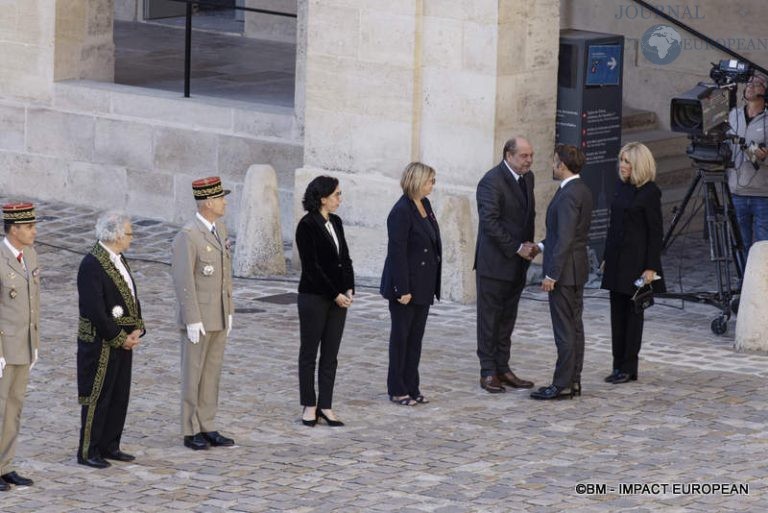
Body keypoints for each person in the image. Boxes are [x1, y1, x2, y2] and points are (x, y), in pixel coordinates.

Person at [76, 212, 144, 468]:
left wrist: (137, 328)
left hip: (124, 340)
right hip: (100, 343)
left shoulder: (118, 258)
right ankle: (88, 450)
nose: (131, 238)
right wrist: (119, 337)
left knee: (118, 394)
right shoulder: (92, 264)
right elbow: (95, 309)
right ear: (115, 235)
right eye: (129, 233)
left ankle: (110, 445)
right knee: (97, 396)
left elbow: (131, 295)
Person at [172, 176, 235, 449]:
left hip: (218, 314)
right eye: (221, 198)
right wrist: (192, 319)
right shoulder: (189, 235)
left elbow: (225, 274)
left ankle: (208, 423)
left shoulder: (218, 228)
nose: (224, 202)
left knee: (212, 373)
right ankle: (190, 428)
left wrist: (229, 309)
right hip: (199, 318)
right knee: (193, 373)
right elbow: (184, 280)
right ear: (208, 202)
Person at [474, 136, 538, 393]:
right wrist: (516, 247)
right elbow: (490, 222)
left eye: (531, 155)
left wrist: (529, 245)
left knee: (507, 318)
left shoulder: (528, 178)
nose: (529, 160)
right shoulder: (491, 182)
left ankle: (503, 367)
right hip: (495, 264)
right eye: (524, 156)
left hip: (518, 265)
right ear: (509, 155)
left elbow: (526, 216)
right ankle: (488, 370)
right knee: (489, 318)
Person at [530, 145, 593, 400]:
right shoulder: (581, 189)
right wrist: (541, 246)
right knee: (574, 328)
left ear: (563, 165)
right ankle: (573, 381)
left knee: (565, 330)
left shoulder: (568, 194)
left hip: (565, 272)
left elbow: (566, 238)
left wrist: (551, 275)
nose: (553, 166)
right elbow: (562, 234)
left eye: (555, 162)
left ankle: (563, 383)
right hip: (575, 269)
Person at [601, 142, 666, 384]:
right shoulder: (620, 187)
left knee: (632, 315)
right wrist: (606, 257)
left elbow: (655, 232)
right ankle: (617, 364)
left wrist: (650, 267)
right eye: (621, 160)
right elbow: (613, 226)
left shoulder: (650, 192)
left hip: (637, 264)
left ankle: (629, 367)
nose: (622, 165)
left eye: (627, 161)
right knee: (616, 315)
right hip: (617, 261)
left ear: (638, 164)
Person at [381, 162, 442, 406]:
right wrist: (402, 289)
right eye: (430, 181)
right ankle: (397, 388)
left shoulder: (424, 204)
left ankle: (412, 385)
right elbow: (397, 252)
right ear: (417, 181)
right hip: (406, 287)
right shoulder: (401, 211)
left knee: (415, 339)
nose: (432, 185)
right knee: (401, 339)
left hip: (424, 285)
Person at [295, 176, 354, 427]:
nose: (340, 199)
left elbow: (345, 257)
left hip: (339, 298)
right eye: (337, 195)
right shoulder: (307, 225)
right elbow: (312, 268)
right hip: (314, 297)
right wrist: (335, 294)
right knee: (310, 352)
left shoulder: (337, 222)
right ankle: (310, 405)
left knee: (331, 354)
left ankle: (326, 405)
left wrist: (349, 288)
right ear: (323, 198)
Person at [0, 203, 40, 489]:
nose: (34, 232)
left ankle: (5, 464)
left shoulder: (30, 255)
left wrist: (34, 344)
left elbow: (32, 304)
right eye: (28, 227)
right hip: (4, 348)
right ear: (14, 229)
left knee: (14, 408)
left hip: (23, 346)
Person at [727, 72, 768, 252]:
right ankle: (743, 279)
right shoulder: (733, 115)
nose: (750, 86)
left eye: (757, 83)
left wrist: (749, 149)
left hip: (762, 193)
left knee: (762, 247)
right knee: (740, 244)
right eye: (749, 82)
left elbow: (763, 156)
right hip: (736, 191)